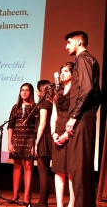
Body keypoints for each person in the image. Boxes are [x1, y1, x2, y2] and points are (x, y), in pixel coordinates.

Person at [64, 31, 101, 207]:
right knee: (81, 168)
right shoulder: (87, 60)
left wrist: (74, 115)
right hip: (86, 117)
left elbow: (86, 89)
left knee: (79, 169)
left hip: (82, 118)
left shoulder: (84, 59)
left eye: (69, 42)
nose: (66, 46)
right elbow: (97, 93)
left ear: (79, 42)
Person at [7, 83, 36, 206]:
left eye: (27, 90)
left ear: (31, 92)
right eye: (22, 90)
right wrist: (9, 142)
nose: (24, 92)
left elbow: (37, 126)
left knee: (28, 167)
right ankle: (15, 194)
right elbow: (10, 126)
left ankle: (26, 197)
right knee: (17, 166)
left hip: (30, 140)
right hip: (17, 140)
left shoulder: (35, 107)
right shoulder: (15, 107)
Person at [50, 62, 75, 207]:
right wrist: (53, 133)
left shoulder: (76, 91)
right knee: (59, 170)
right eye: (61, 71)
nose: (62, 74)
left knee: (71, 170)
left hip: (71, 131)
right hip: (58, 131)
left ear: (73, 73)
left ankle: (71, 203)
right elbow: (54, 115)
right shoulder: (58, 92)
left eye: (66, 71)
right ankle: (60, 204)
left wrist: (66, 135)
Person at [33, 80, 54, 207]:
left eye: (37, 89)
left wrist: (36, 143)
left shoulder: (44, 104)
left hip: (44, 139)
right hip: (50, 138)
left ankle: (42, 202)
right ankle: (43, 201)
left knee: (43, 170)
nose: (36, 92)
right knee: (46, 171)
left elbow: (42, 124)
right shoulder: (52, 103)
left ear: (42, 90)